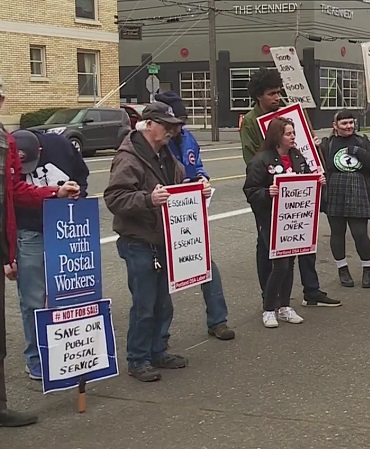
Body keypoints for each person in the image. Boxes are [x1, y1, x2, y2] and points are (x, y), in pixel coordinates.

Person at [104, 102, 211, 382]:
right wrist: (148, 199)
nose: (171, 132)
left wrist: (197, 186)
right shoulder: (129, 157)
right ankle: (137, 359)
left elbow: (177, 186)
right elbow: (114, 198)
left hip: (162, 239)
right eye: (166, 125)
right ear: (149, 124)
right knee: (145, 303)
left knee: (163, 301)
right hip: (139, 241)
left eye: (174, 126)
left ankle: (157, 350)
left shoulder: (163, 154)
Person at [0, 76, 80, 425]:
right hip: (21, 238)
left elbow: (15, 190)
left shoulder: (6, 141)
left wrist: (54, 193)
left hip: (8, 239)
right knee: (31, 299)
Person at [239, 68, 338, 307]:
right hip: (269, 194)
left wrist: (311, 147)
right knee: (267, 247)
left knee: (304, 237)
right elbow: (253, 160)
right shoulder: (251, 122)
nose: (276, 97)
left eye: (279, 92)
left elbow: (297, 145)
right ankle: (269, 295)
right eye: (272, 93)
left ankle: (311, 290)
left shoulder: (286, 114)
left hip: (296, 193)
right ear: (258, 96)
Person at [155, 91, 235, 341]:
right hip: (161, 216)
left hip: (188, 212)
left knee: (207, 267)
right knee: (160, 280)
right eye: (174, 122)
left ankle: (218, 321)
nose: (179, 128)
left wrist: (202, 178)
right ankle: (160, 337)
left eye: (181, 121)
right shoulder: (153, 143)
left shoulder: (187, 137)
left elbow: (196, 163)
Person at [10, 129, 89, 381]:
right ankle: (35, 357)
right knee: (33, 298)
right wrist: (8, 254)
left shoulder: (62, 146)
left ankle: (68, 353)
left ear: (41, 151)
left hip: (64, 226)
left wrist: (78, 194)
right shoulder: (9, 153)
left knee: (69, 293)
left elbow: (82, 174)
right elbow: (9, 198)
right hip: (29, 230)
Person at [243, 117, 326, 327]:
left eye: (293, 133)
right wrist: (266, 192)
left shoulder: (297, 156)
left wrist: (319, 181)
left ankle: (285, 306)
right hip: (271, 220)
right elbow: (250, 191)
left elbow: (306, 179)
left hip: (294, 219)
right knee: (279, 265)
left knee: (289, 263)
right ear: (277, 136)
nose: (292, 137)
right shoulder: (261, 160)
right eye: (288, 134)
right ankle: (269, 308)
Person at [319, 110, 370, 289]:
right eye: (344, 124)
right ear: (335, 125)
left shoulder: (362, 141)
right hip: (335, 189)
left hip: (358, 189)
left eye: (351, 123)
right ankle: (342, 269)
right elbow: (319, 164)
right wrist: (314, 147)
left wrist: (358, 151)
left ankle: (367, 269)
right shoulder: (327, 144)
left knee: (360, 233)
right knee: (337, 233)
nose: (348, 127)